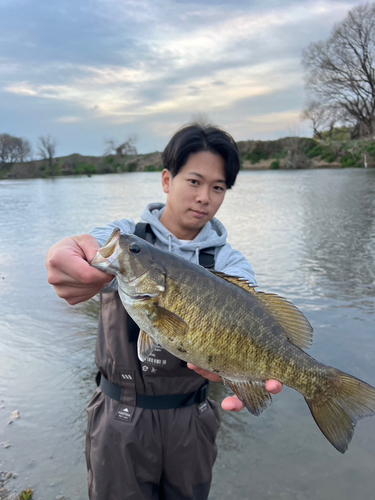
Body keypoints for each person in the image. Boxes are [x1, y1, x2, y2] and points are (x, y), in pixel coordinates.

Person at [46, 123, 282, 500]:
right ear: (167, 179)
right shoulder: (126, 238)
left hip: (192, 420)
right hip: (117, 416)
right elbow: (85, 248)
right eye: (194, 181)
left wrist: (245, 377)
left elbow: (250, 317)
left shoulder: (229, 263)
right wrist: (68, 256)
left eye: (218, 187)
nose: (204, 197)